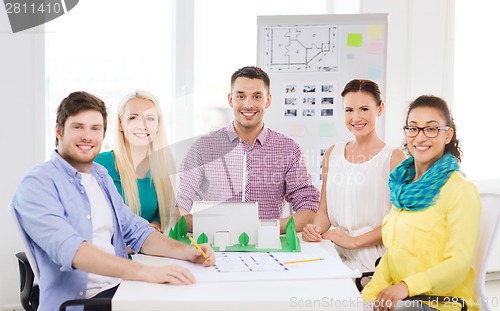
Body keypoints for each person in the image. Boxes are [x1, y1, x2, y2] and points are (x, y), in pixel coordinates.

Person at [11, 91, 215, 311]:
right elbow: (72, 250)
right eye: (78, 127)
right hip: (81, 303)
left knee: (195, 297)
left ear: (104, 133)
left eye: (95, 128)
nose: (87, 136)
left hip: (120, 290)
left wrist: (187, 252)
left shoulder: (100, 176)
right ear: (59, 131)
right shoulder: (37, 183)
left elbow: (138, 231)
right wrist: (147, 273)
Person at [362, 95, 481, 311]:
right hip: (403, 300)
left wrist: (406, 287)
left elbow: (458, 264)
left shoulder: (461, 191)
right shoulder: (404, 189)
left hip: (440, 304)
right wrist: (366, 297)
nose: (420, 137)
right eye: (413, 128)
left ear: (448, 135)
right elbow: (393, 255)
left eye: (431, 129)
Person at [176, 66, 320, 233]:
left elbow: (309, 208)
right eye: (241, 96)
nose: (248, 104)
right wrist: (213, 226)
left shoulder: (289, 149)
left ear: (268, 100)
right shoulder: (204, 148)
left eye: (257, 96)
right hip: (214, 248)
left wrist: (264, 229)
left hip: (268, 247)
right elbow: (179, 207)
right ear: (231, 100)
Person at [302, 79, 406, 273]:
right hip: (334, 255)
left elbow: (399, 224)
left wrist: (353, 241)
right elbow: (324, 212)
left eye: (364, 109)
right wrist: (314, 230)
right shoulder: (332, 154)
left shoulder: (394, 159)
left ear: (380, 108)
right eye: (349, 110)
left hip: (375, 263)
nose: (356, 117)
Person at [95, 91, 175, 233]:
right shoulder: (99, 165)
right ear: (121, 124)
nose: (142, 125)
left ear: (158, 125)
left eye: (150, 118)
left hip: (145, 253)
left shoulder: (162, 167)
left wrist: (156, 225)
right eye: (133, 118)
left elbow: (161, 215)